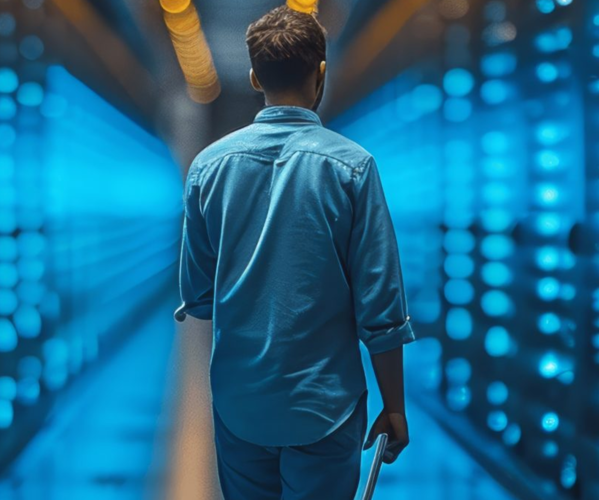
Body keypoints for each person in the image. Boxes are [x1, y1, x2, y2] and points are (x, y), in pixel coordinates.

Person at [174, 5, 414, 499]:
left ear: (253, 76)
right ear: (321, 73)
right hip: (324, 406)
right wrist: (395, 405)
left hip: (240, 404)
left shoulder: (207, 168)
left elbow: (197, 297)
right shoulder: (352, 167)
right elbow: (381, 306)